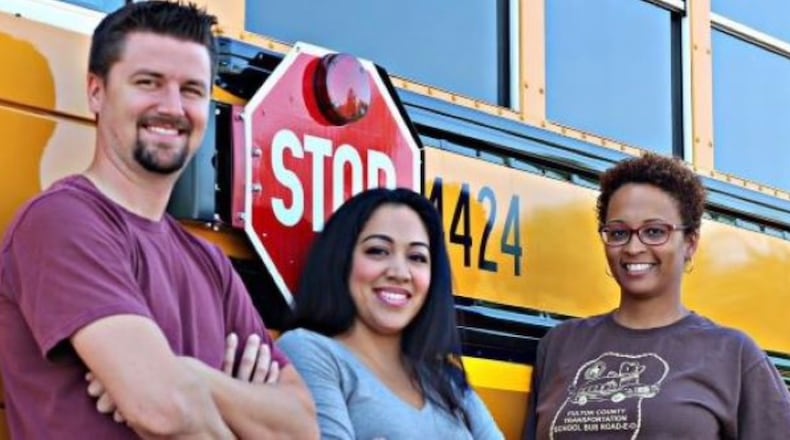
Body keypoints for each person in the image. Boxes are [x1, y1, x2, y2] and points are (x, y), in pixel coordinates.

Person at [0, 2, 318, 438]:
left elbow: (302, 427)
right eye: (148, 82)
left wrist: (194, 377)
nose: (172, 107)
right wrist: (223, 404)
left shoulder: (211, 265)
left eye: (191, 90)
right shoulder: (61, 223)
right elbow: (164, 413)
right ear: (96, 91)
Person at [525, 153, 790, 439]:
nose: (633, 248)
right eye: (618, 233)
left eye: (654, 232)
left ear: (690, 243)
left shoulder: (734, 355)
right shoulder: (560, 345)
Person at [277, 187, 504, 439]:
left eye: (417, 257)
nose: (399, 272)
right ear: (341, 259)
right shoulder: (309, 351)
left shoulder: (446, 379)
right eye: (378, 251)